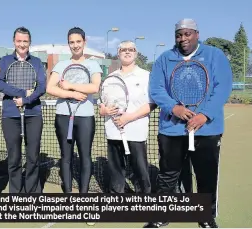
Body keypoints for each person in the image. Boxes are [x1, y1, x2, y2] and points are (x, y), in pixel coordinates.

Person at [144, 19, 233, 228]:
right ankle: (161, 216)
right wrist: (173, 108)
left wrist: (204, 115)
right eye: (179, 35)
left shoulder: (215, 56)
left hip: (207, 130)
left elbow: (223, 87)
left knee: (206, 175)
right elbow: (156, 88)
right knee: (167, 176)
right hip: (171, 131)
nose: (183, 39)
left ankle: (205, 217)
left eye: (187, 34)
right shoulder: (164, 59)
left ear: (196, 34)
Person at [46, 27, 102, 194]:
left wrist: (70, 86)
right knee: (66, 156)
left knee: (85, 156)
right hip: (63, 116)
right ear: (68, 44)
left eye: (78, 41)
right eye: (72, 42)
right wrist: (72, 94)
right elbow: (50, 87)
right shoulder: (61, 65)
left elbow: (95, 87)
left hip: (85, 117)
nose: (75, 45)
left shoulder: (93, 64)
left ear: (84, 42)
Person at [0, 27, 46, 193]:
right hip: (10, 116)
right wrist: (22, 93)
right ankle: (15, 192)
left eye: (25, 41)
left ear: (29, 42)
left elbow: (42, 86)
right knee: (14, 157)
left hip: (33, 115)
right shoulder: (5, 61)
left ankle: (32, 191)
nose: (22, 44)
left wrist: (26, 100)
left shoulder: (37, 62)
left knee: (33, 156)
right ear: (14, 42)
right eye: (19, 41)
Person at [99, 40, 156, 194]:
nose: (127, 52)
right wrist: (104, 110)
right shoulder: (110, 77)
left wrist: (128, 118)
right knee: (116, 171)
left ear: (136, 53)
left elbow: (151, 104)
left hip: (136, 132)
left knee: (140, 170)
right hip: (113, 131)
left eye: (131, 49)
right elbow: (102, 105)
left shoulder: (146, 76)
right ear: (118, 53)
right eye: (123, 49)